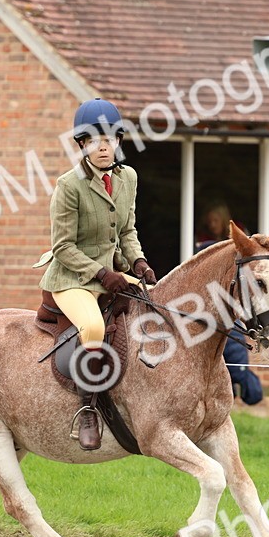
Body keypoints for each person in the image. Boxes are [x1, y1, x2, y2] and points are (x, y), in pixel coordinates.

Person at [39, 98, 157, 451]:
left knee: (157, 303)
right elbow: (63, 247)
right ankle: (88, 410)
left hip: (113, 272)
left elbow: (127, 231)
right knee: (92, 327)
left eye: (108, 139)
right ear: (82, 144)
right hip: (71, 278)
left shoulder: (128, 178)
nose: (102, 147)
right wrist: (103, 274)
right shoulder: (68, 185)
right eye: (93, 140)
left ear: (118, 141)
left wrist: (138, 262)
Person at [194, 205, 264, 406]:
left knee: (235, 356)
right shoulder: (202, 238)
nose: (212, 225)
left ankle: (247, 392)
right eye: (209, 221)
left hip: (228, 301)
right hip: (208, 303)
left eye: (215, 220)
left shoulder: (239, 235)